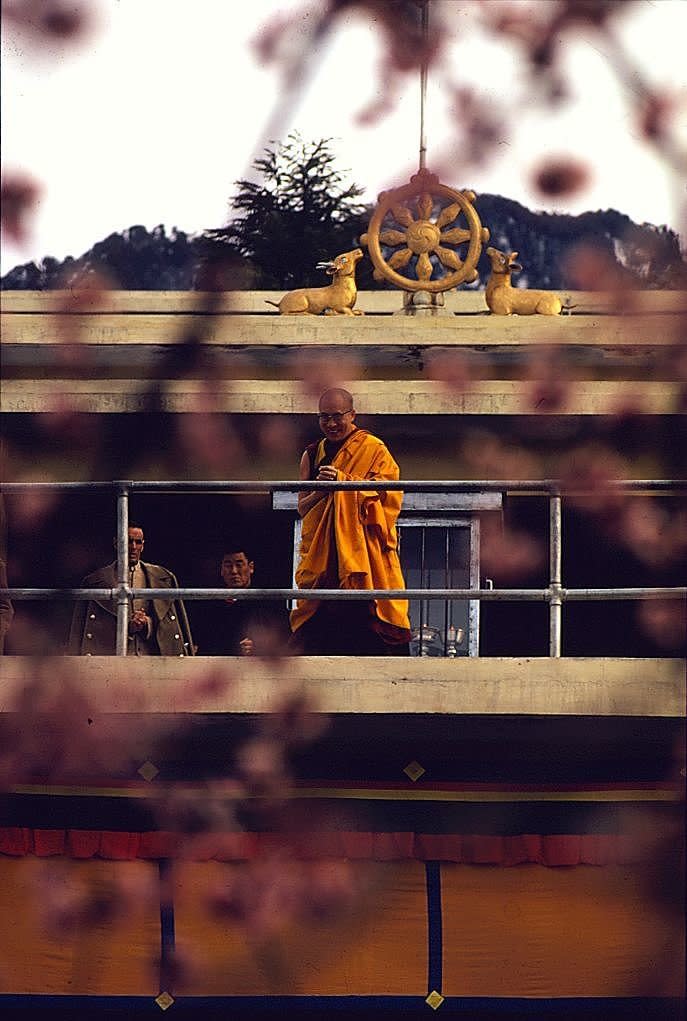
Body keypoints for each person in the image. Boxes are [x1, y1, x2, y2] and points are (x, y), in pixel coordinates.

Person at [290, 387, 411, 655]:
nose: (331, 424)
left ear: (352, 414)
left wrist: (345, 484)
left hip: (363, 558)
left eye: (337, 416)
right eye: (324, 417)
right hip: (324, 558)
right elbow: (302, 508)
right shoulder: (312, 454)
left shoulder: (373, 448)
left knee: (372, 634)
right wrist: (323, 491)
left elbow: (389, 497)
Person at [67, 523, 194, 656]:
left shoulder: (164, 577)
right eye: (128, 541)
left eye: (138, 542)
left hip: (153, 661)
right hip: (111, 660)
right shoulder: (94, 581)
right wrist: (127, 626)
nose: (133, 547)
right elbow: (79, 630)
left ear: (143, 545)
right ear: (116, 544)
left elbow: (175, 625)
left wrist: (147, 623)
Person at [191, 547, 289, 656]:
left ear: (251, 567)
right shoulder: (209, 605)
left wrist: (257, 647)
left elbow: (281, 642)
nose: (234, 571)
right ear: (221, 570)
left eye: (239, 565)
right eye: (228, 565)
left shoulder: (267, 602)